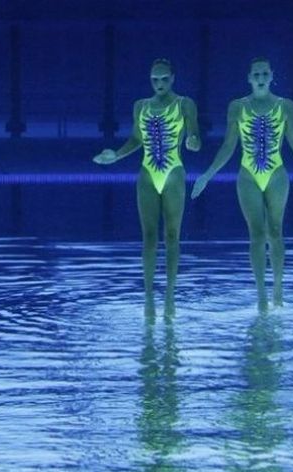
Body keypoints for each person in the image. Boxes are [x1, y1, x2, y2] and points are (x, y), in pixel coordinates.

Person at [191, 57, 293, 312]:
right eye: (256, 74)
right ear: (249, 78)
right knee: (257, 234)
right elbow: (229, 145)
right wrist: (207, 175)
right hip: (248, 174)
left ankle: (278, 292)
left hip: (276, 173)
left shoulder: (286, 106)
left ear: (271, 76)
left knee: (275, 231)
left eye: (264, 73)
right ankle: (261, 295)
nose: (261, 78)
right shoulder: (237, 107)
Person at [94, 58, 200, 319]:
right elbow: (136, 140)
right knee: (149, 237)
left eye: (164, 79)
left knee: (172, 236)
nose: (160, 83)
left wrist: (194, 142)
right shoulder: (140, 106)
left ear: (173, 78)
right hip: (147, 174)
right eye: (155, 79)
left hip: (174, 172)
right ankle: (150, 297)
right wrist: (115, 155)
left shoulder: (185, 104)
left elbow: (194, 137)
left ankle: (170, 296)